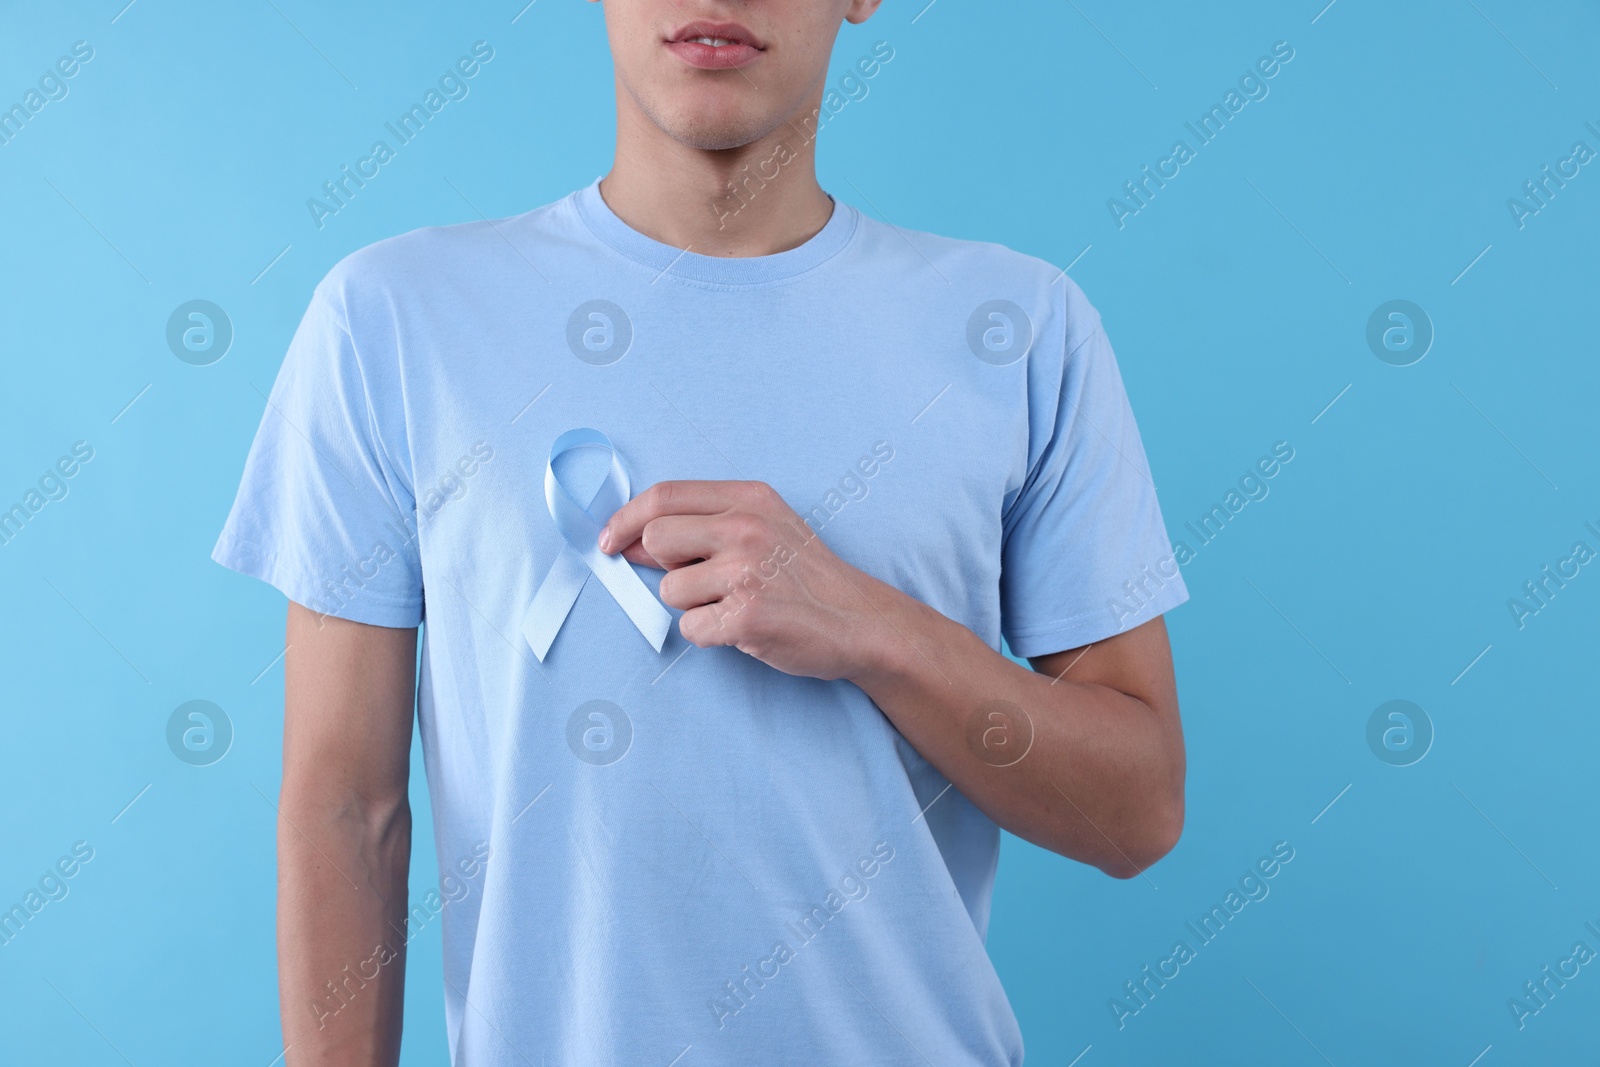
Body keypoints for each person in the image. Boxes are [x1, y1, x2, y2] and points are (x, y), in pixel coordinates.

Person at [213, 1, 1189, 1063]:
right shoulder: (393, 320)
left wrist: (875, 627)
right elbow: (348, 809)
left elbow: (1134, 811)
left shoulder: (1020, 330)